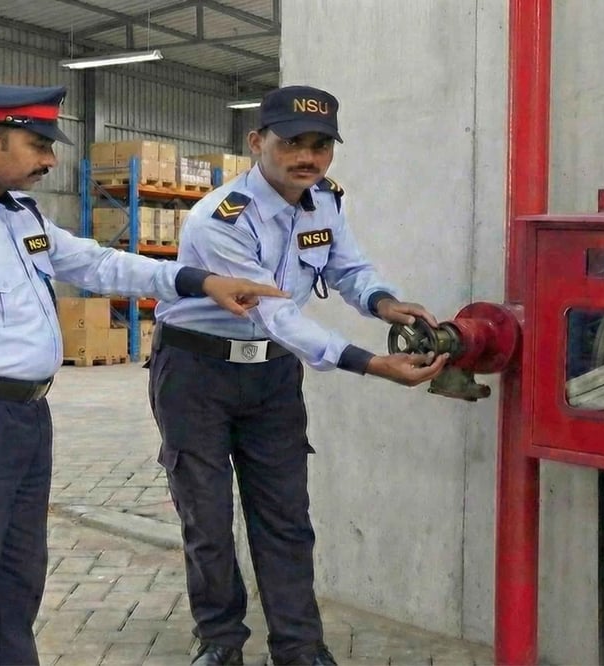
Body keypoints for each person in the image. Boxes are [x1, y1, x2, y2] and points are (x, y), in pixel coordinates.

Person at [0, 84, 287, 666]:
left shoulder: (17, 216)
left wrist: (199, 281)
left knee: (14, 587)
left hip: (23, 420)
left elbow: (96, 262)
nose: (50, 160)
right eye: (38, 146)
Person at [148, 85, 449, 666]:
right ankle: (220, 640)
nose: (307, 157)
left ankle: (299, 647)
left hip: (272, 376)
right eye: (291, 143)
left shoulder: (324, 202)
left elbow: (348, 268)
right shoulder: (220, 218)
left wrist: (384, 303)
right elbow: (274, 313)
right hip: (196, 374)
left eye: (320, 145)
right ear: (256, 142)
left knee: (286, 516)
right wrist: (369, 363)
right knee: (208, 517)